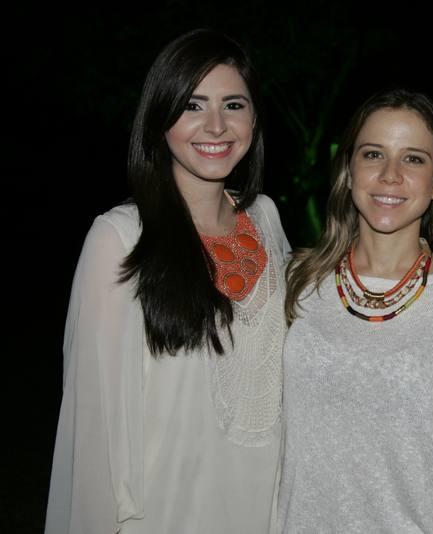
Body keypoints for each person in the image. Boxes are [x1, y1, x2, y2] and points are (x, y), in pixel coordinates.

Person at [45, 29, 290, 534]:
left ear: (254, 119)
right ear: (160, 119)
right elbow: (94, 426)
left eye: (234, 105)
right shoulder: (119, 237)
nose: (216, 125)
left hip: (265, 508)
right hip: (166, 512)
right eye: (192, 105)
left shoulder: (266, 218)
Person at [279, 89, 433, 533]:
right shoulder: (300, 283)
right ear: (349, 171)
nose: (390, 175)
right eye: (373, 154)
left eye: (413, 159)